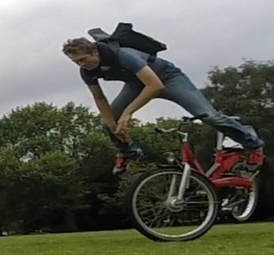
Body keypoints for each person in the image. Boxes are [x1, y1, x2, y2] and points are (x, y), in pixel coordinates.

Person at [62, 37, 264, 173]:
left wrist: (127, 115)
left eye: (83, 59)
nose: (81, 65)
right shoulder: (86, 71)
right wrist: (114, 125)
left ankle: (252, 144)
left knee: (209, 116)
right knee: (107, 124)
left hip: (167, 79)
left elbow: (155, 86)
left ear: (95, 52)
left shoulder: (123, 56)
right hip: (136, 84)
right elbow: (100, 99)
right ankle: (128, 152)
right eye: (75, 62)